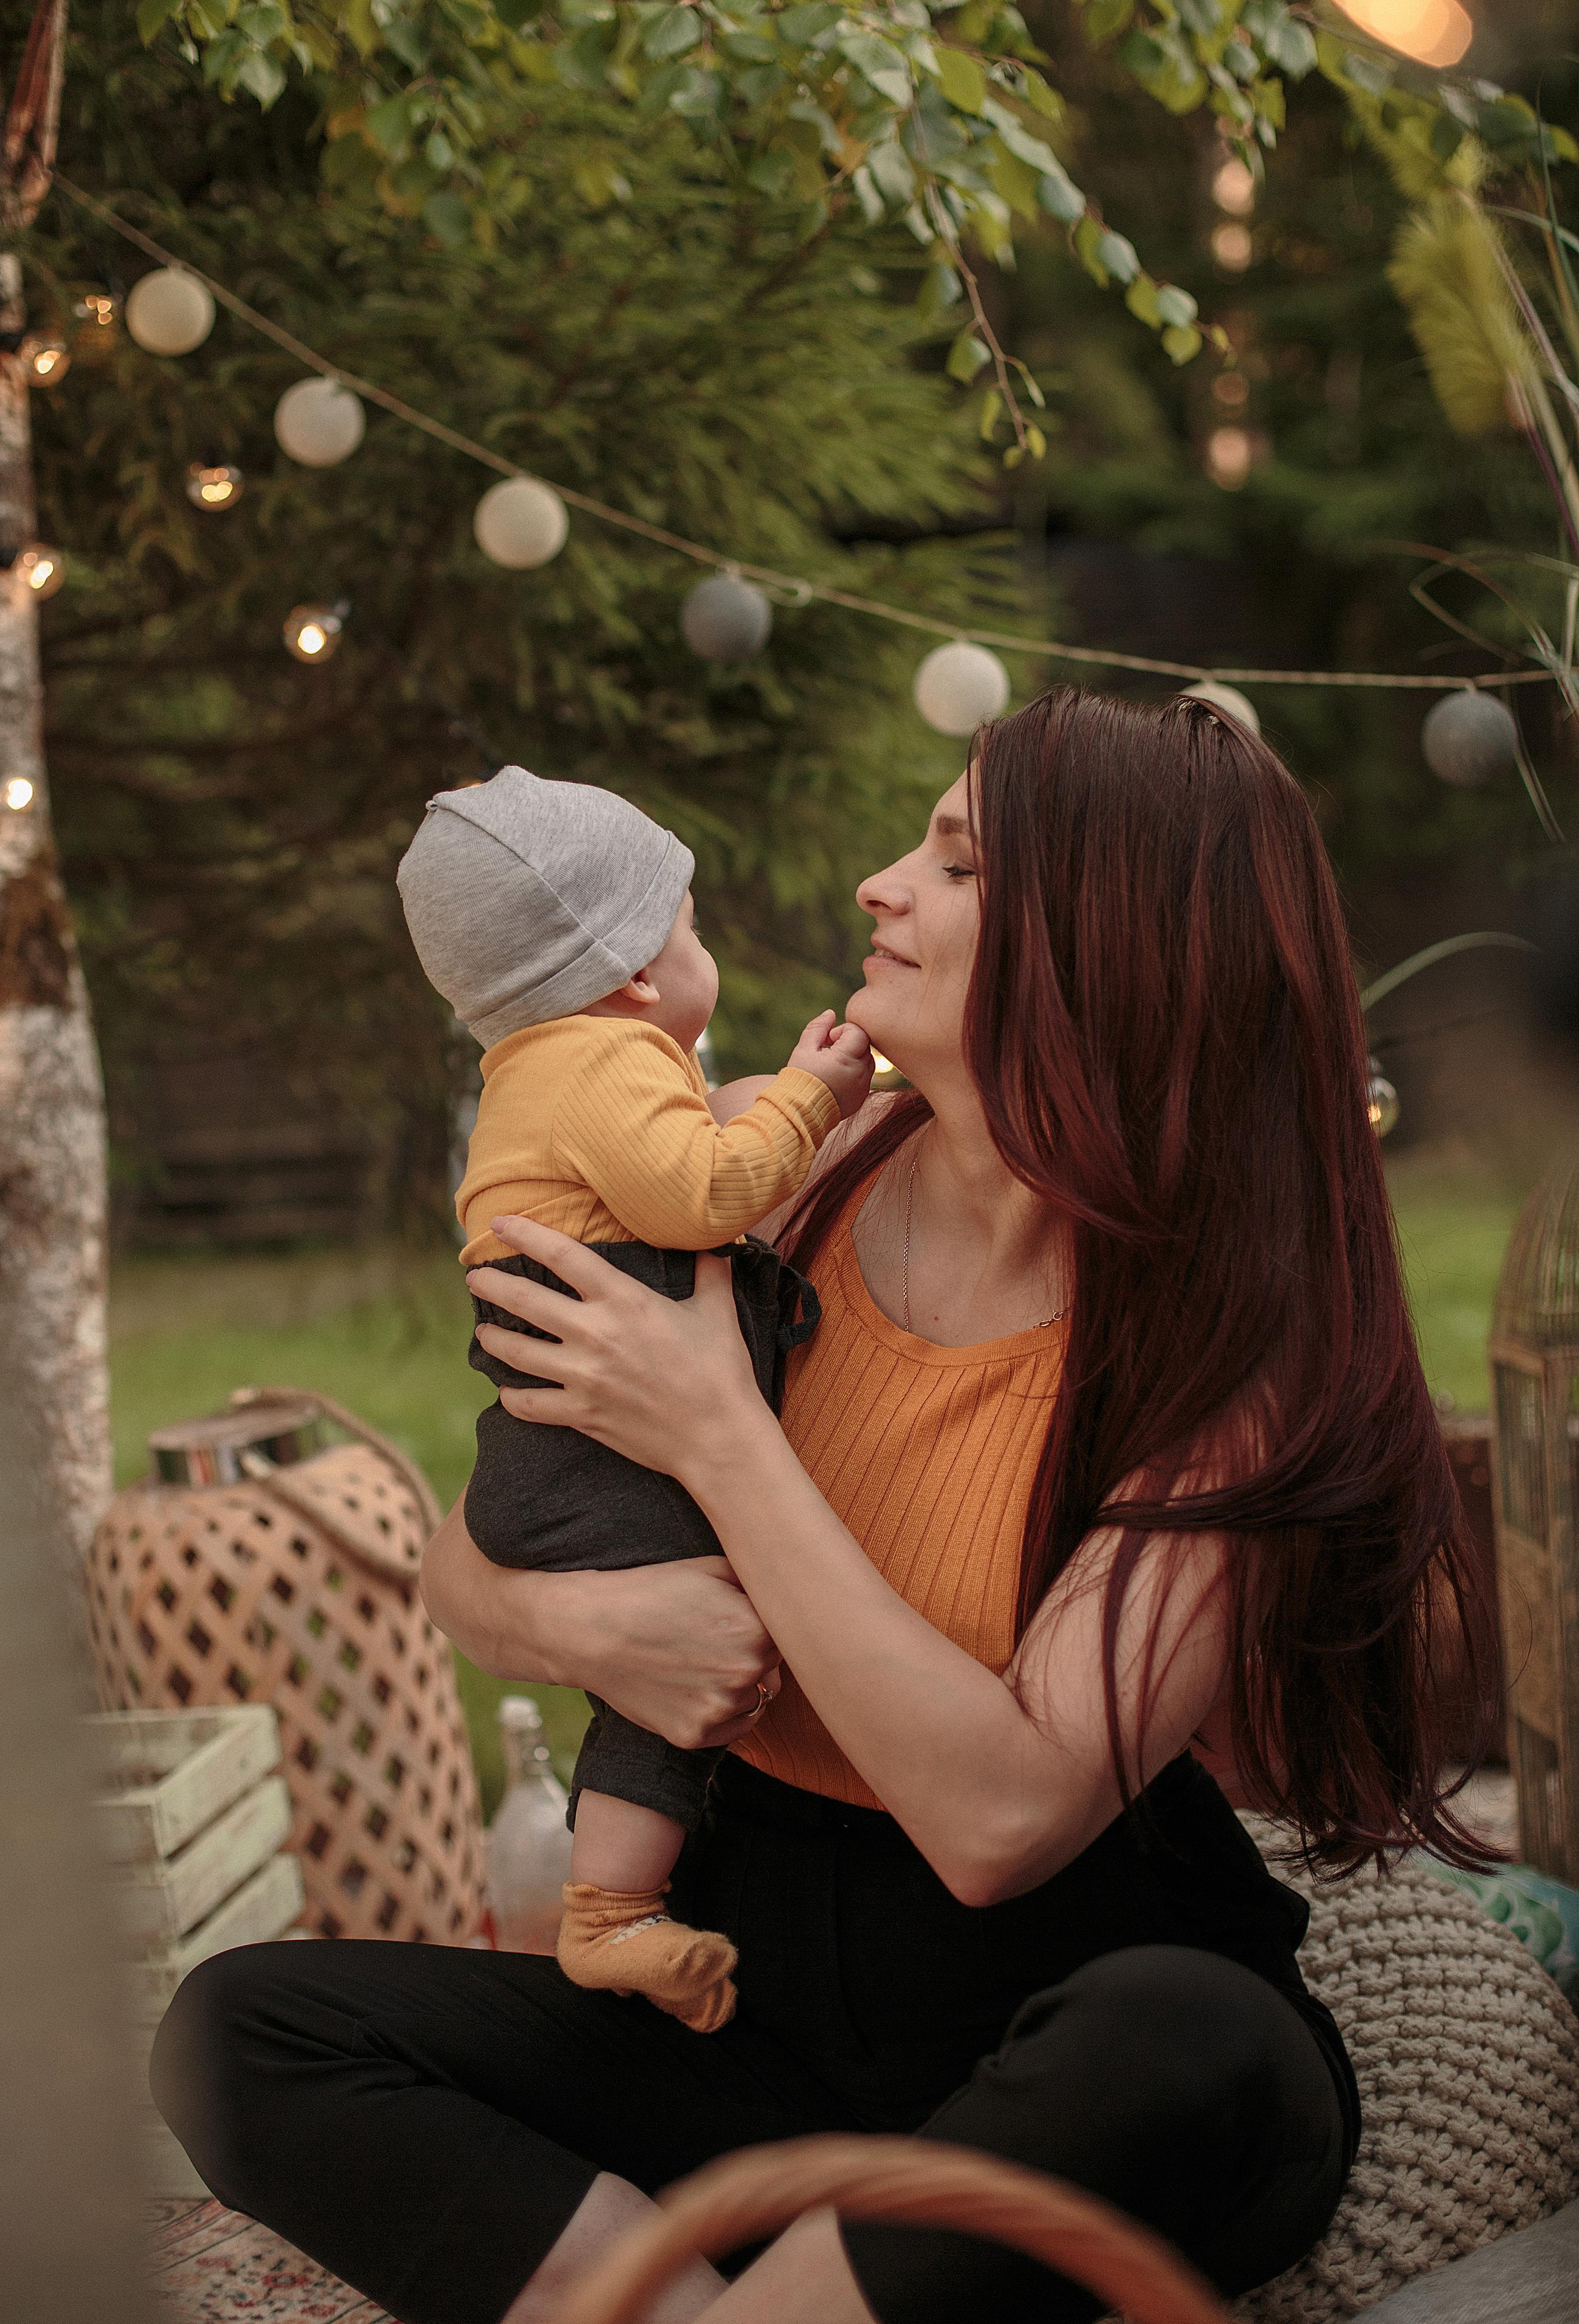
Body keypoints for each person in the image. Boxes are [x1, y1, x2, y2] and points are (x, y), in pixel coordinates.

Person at [153, 688, 1495, 2324]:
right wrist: (588, 1627)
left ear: (1107, 942)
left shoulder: (1221, 1349)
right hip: (749, 2001)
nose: (880, 884)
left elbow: (1002, 1828)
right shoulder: (772, 1178)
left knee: (1185, 2038)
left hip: (1061, 2025)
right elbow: (470, 1562)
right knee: (239, 2032)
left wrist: (719, 1428)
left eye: (955, 862)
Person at [395, 768, 873, 2028]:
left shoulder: (538, 1068)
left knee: (658, 1678)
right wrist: (813, 1098)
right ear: (635, 975)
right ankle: (609, 1911)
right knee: (700, 1630)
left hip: (554, 1447)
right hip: (591, 1454)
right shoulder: (604, 1059)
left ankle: (610, 1914)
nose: (704, 949)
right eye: (691, 925)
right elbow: (705, 1196)